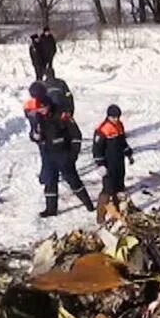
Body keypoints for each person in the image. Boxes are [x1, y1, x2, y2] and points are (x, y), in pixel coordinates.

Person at [24, 82, 94, 218]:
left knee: (73, 180)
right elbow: (33, 134)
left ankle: (88, 204)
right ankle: (51, 209)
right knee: (50, 181)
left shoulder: (61, 114)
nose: (42, 111)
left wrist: (73, 154)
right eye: (39, 109)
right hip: (48, 154)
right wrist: (35, 136)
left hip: (63, 153)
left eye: (43, 108)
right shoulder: (37, 117)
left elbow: (76, 135)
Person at [92, 104, 134, 223]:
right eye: (113, 117)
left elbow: (122, 142)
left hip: (119, 162)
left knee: (119, 187)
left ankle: (118, 211)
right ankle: (100, 215)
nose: (116, 120)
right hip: (108, 164)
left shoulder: (119, 126)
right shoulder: (102, 129)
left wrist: (128, 153)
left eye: (117, 117)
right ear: (108, 116)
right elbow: (97, 149)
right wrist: (100, 164)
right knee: (108, 189)